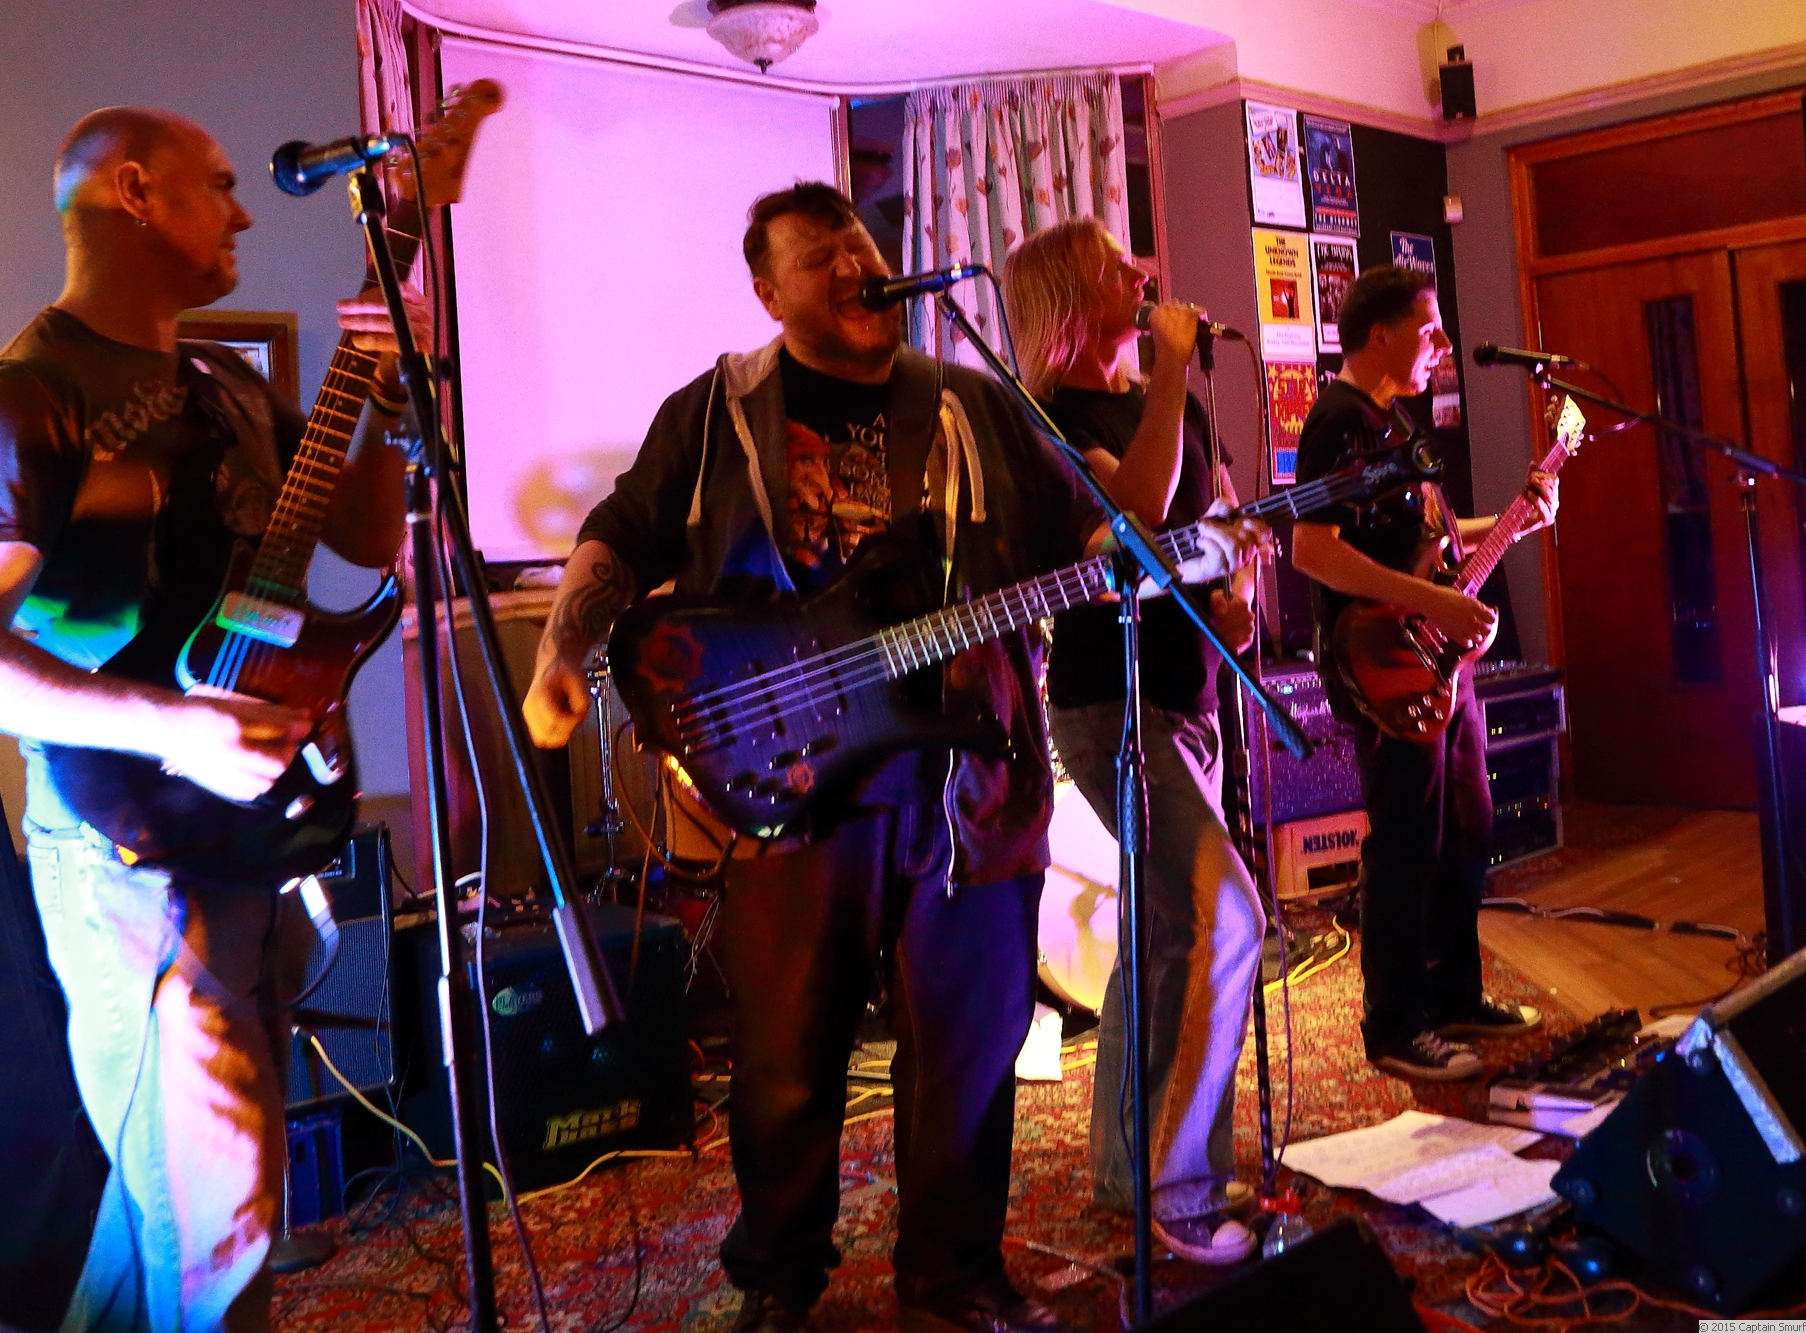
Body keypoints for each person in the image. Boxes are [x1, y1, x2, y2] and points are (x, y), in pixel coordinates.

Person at [521, 183, 1267, 1333]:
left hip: (970, 783)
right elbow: (618, 537)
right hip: (788, 783)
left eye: (859, 244)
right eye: (816, 256)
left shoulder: (972, 401)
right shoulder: (719, 411)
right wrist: (559, 652)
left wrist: (1166, 540)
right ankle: (778, 1280)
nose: (851, 265)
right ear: (767, 292)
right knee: (785, 1057)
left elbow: (1095, 531)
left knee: (968, 1046)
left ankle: (953, 1278)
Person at [0, 107, 419, 1331]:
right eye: (221, 185)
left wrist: (390, 396)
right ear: (136, 192)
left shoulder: (224, 382)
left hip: (251, 827)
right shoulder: (25, 398)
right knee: (215, 1225)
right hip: (128, 850)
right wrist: (173, 726)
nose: (244, 212)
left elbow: (365, 536)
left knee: (185, 1208)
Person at [999, 220, 1264, 1267]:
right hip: (1111, 703)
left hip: (1190, 697)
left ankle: (1127, 1166)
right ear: (1072, 295)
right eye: (1117, 267)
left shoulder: (1177, 403)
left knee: (1164, 938)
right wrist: (1168, 372)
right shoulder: (1052, 418)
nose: (1143, 271)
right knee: (1224, 920)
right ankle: (1175, 1185)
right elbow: (1138, 520)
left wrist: (1238, 592)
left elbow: (1218, 531)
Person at [1290, 265, 1556, 1083]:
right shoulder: (1337, 422)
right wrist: (1430, 603)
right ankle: (1395, 1022)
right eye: (1429, 328)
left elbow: (1425, 541)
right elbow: (1313, 549)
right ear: (1380, 335)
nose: (1442, 343)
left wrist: (1513, 518)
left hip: (1434, 655)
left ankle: (1454, 994)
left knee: (1466, 826)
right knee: (1406, 840)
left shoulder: (1392, 420)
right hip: (1382, 660)